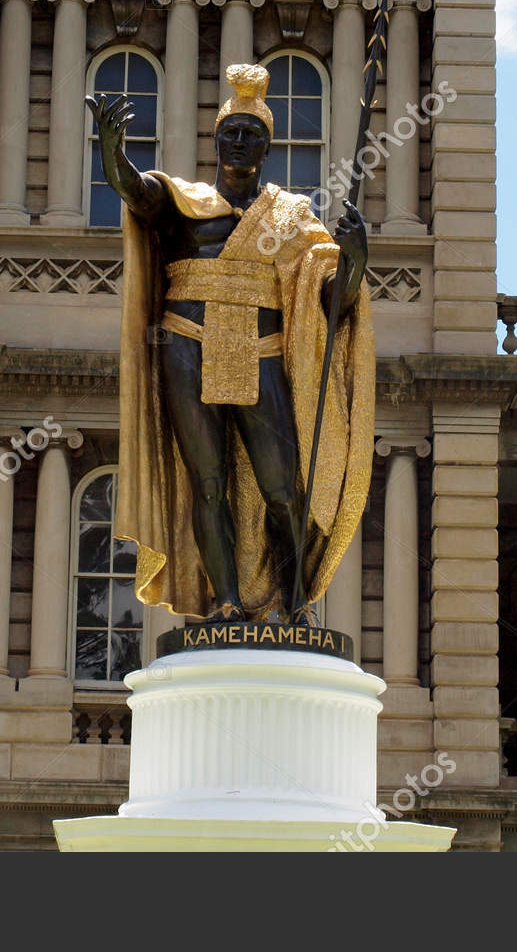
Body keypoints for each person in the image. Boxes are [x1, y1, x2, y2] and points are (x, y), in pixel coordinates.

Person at [87, 63, 374, 625]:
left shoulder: (291, 217)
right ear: (216, 140)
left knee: (282, 488)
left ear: (267, 147)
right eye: (231, 132)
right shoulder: (185, 201)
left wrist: (356, 260)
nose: (239, 141)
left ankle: (295, 602)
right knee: (208, 482)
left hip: (261, 351)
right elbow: (135, 192)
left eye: (251, 134)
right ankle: (226, 601)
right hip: (186, 345)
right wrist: (112, 154)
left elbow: (332, 303)